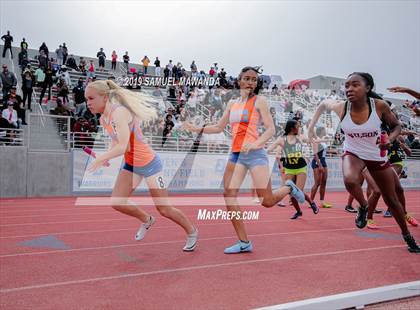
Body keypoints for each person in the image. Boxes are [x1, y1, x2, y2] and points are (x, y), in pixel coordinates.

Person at [184, 66, 305, 254]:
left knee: (267, 201)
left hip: (255, 154)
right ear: (239, 81)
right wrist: (195, 129)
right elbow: (218, 127)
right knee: (228, 195)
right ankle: (244, 242)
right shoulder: (232, 103)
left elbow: (271, 129)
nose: (250, 82)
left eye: (254, 80)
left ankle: (289, 187)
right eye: (247, 78)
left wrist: (256, 144)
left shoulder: (260, 101)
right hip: (236, 154)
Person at [308, 72, 420, 253]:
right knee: (350, 180)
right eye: (347, 86)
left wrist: (390, 140)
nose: (349, 89)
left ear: (368, 88)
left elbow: (397, 126)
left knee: (392, 199)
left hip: (376, 155)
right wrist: (311, 126)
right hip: (353, 152)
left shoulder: (379, 106)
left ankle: (408, 236)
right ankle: (364, 206)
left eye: (355, 85)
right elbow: (322, 105)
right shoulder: (341, 107)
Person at [85, 79, 198, 251]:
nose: (88, 103)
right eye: (87, 99)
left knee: (164, 208)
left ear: (105, 97)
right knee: (117, 202)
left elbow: (124, 146)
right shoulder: (103, 119)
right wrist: (107, 157)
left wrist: (101, 159)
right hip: (131, 165)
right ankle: (147, 220)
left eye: (91, 98)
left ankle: (192, 231)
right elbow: (115, 142)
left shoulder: (119, 113)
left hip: (150, 164)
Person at [268, 120, 319, 219]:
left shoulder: (300, 137)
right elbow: (269, 149)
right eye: (298, 126)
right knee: (291, 193)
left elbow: (313, 140)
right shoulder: (282, 139)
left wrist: (313, 145)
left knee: (298, 191)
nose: (299, 128)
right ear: (292, 128)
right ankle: (299, 211)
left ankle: (312, 203)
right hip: (289, 169)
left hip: (301, 167)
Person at [310, 126, 332, 208]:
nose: (325, 130)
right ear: (321, 131)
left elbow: (324, 151)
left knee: (324, 182)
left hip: (323, 161)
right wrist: (319, 165)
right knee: (317, 183)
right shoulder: (317, 140)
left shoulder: (323, 140)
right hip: (317, 162)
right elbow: (315, 154)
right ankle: (311, 201)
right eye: (324, 129)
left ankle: (322, 202)